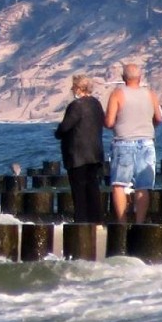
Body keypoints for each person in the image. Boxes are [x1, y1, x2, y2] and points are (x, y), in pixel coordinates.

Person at [104, 62, 162, 223]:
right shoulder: (150, 94)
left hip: (124, 142)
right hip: (147, 143)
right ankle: (140, 223)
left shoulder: (117, 94)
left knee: (119, 184)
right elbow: (158, 119)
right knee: (143, 186)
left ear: (123, 78)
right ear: (140, 78)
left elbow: (109, 122)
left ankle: (122, 223)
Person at [54, 73, 106, 224]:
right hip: (95, 153)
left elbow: (64, 127)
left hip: (78, 155)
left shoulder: (76, 106)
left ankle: (81, 222)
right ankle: (97, 221)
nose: (72, 89)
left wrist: (57, 132)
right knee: (93, 188)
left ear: (79, 88)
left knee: (79, 191)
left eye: (73, 86)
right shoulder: (97, 104)